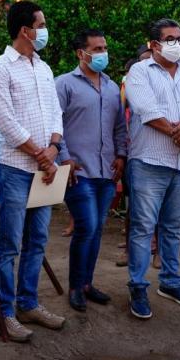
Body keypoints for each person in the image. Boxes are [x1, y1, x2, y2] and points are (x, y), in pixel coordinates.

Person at [0, 0, 66, 342]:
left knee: (37, 241)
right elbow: (4, 121)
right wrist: (42, 156)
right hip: (16, 169)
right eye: (41, 24)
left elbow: (56, 113)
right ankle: (5, 313)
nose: (44, 30)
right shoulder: (0, 69)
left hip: (43, 169)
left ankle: (28, 303)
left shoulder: (43, 68)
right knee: (10, 244)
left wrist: (54, 148)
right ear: (25, 30)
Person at [124, 18, 180, 319]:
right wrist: (179, 134)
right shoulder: (140, 71)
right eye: (169, 39)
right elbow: (146, 110)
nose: (176, 43)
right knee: (142, 227)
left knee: (173, 228)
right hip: (149, 162)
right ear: (154, 45)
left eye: (179, 38)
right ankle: (138, 285)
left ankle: (170, 283)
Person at [55, 29, 127, 312]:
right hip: (78, 171)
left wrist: (121, 154)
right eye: (96, 49)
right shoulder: (64, 84)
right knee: (86, 227)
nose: (102, 53)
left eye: (104, 47)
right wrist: (64, 157)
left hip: (106, 171)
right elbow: (53, 122)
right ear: (80, 53)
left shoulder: (111, 87)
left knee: (97, 230)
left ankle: (87, 283)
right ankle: (75, 287)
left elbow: (120, 126)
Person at [117, 47, 158, 268]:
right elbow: (119, 119)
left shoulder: (166, 85)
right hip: (134, 154)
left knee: (161, 208)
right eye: (142, 60)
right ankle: (128, 250)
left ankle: (159, 251)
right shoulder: (129, 86)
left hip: (161, 154)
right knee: (132, 205)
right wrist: (121, 152)